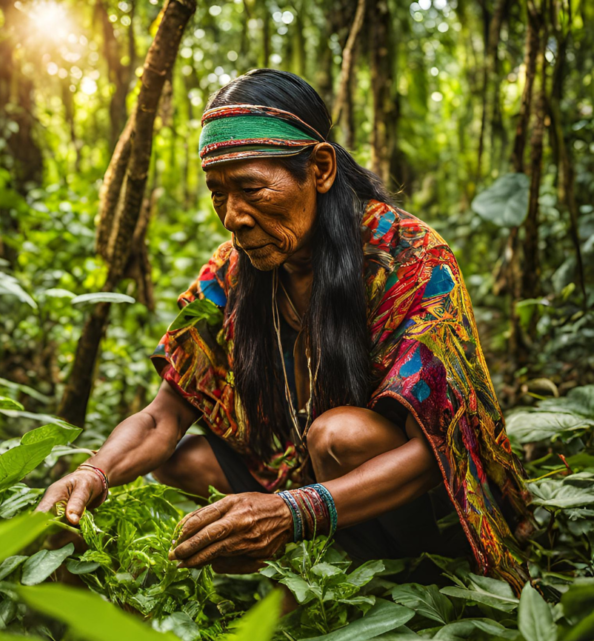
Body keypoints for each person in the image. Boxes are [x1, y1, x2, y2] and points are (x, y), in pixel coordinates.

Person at [38, 69, 532, 589]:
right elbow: (163, 419)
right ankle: (313, 549)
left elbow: (442, 448)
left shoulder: (407, 257)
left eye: (251, 189)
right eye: (219, 194)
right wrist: (91, 474)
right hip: (303, 476)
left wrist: (292, 513)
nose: (233, 217)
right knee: (182, 461)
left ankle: (400, 575)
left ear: (319, 169)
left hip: (419, 501)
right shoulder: (229, 271)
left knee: (338, 435)